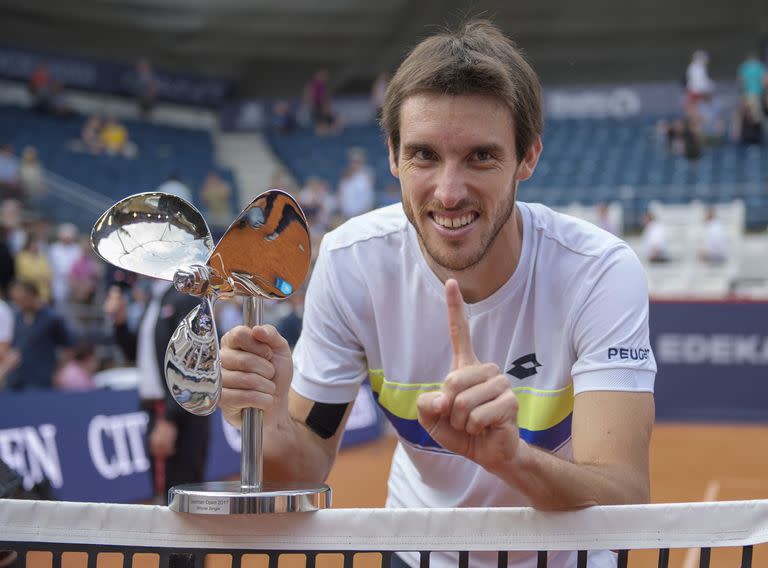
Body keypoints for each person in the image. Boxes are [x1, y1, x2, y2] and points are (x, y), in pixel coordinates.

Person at [219, 20, 656, 568]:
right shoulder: (353, 261)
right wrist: (263, 416)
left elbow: (626, 504)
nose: (449, 193)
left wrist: (512, 459)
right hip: (418, 551)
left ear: (528, 158)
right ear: (393, 157)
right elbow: (302, 471)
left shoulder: (599, 273)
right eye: (424, 155)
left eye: (481, 156)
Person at [104, 280, 210, 503]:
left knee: (182, 495)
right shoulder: (153, 300)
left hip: (178, 411)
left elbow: (191, 364)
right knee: (164, 493)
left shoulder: (184, 298)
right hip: (158, 409)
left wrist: (170, 419)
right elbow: (137, 352)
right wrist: (120, 321)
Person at [5, 280, 74, 391]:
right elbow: (15, 348)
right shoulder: (17, 317)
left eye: (21, 299)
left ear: (32, 295)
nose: (18, 304)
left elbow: (69, 348)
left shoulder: (52, 318)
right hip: (16, 380)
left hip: (41, 382)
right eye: (16, 300)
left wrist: (57, 372)